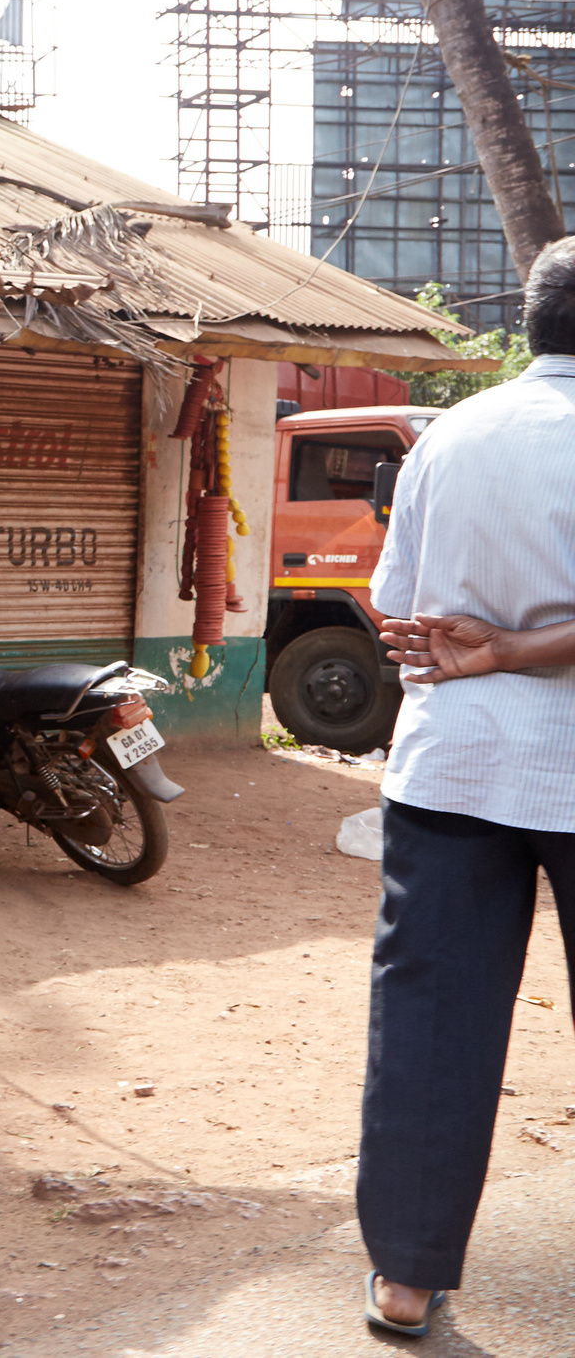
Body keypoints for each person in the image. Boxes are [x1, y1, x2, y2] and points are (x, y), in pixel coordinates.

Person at [351, 235, 575, 1340]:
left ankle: (405, 1276)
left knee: (431, 1017)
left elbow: (398, 611)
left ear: (530, 323)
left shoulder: (453, 433)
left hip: (452, 768)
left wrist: (485, 652)